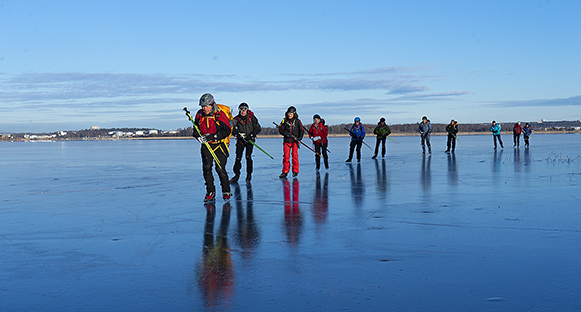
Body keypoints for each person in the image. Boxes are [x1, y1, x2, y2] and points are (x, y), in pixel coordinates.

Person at [192, 93, 233, 202]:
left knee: (220, 168)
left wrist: (213, 136)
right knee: (206, 168)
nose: (204, 109)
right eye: (202, 106)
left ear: (211, 104)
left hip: (219, 145)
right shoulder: (199, 115)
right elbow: (195, 130)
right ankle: (210, 191)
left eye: (206, 106)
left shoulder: (219, 114)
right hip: (206, 146)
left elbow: (227, 130)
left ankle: (226, 191)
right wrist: (198, 137)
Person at [230, 102, 262, 183]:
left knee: (248, 157)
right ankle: (237, 174)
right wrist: (236, 133)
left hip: (249, 141)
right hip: (240, 141)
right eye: (241, 110)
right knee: (238, 157)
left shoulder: (252, 118)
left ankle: (249, 174)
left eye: (244, 110)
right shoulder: (236, 119)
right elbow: (230, 127)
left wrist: (251, 135)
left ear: (247, 110)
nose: (242, 111)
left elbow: (258, 128)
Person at [278, 106, 304, 178]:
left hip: (295, 141)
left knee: (295, 156)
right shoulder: (284, 120)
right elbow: (280, 130)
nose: (289, 115)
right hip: (287, 141)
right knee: (286, 156)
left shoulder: (298, 121)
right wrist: (286, 134)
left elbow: (301, 130)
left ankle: (295, 170)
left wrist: (299, 138)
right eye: (288, 113)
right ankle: (285, 171)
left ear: (294, 114)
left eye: (291, 114)